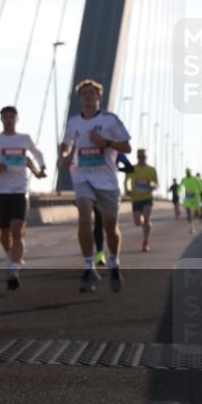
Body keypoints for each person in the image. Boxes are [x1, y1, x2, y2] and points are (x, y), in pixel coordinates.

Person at [59, 79, 132, 293]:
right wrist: (63, 156)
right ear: (80, 99)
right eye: (84, 94)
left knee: (111, 228)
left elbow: (127, 147)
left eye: (92, 94)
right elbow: (65, 146)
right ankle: (89, 268)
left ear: (99, 97)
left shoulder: (110, 120)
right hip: (82, 177)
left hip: (107, 180)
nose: (88, 97)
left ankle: (115, 263)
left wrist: (105, 142)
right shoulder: (74, 122)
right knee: (84, 215)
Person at [0, 106, 47, 290]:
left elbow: (36, 154)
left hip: (19, 190)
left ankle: (14, 271)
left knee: (17, 230)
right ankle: (9, 255)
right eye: (5, 117)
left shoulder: (24, 139)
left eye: (11, 117)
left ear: (17, 119)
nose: (8, 119)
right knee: (4, 233)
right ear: (1, 119)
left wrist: (42, 168)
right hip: (0, 191)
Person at [124, 148, 158, 252]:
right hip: (136, 198)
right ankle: (146, 225)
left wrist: (153, 187)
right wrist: (127, 190)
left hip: (147, 198)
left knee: (146, 217)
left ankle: (145, 241)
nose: (141, 158)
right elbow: (126, 181)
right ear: (137, 157)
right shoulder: (132, 169)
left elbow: (156, 183)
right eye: (139, 156)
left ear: (146, 157)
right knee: (138, 222)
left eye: (143, 156)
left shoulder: (151, 169)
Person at [180, 169, 202, 234]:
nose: (188, 173)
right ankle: (192, 228)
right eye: (187, 172)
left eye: (189, 172)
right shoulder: (183, 179)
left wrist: (198, 192)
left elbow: (201, 186)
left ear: (191, 172)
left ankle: (200, 217)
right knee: (188, 214)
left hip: (196, 197)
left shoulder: (196, 179)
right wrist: (178, 192)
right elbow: (180, 187)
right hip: (188, 198)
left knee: (197, 212)